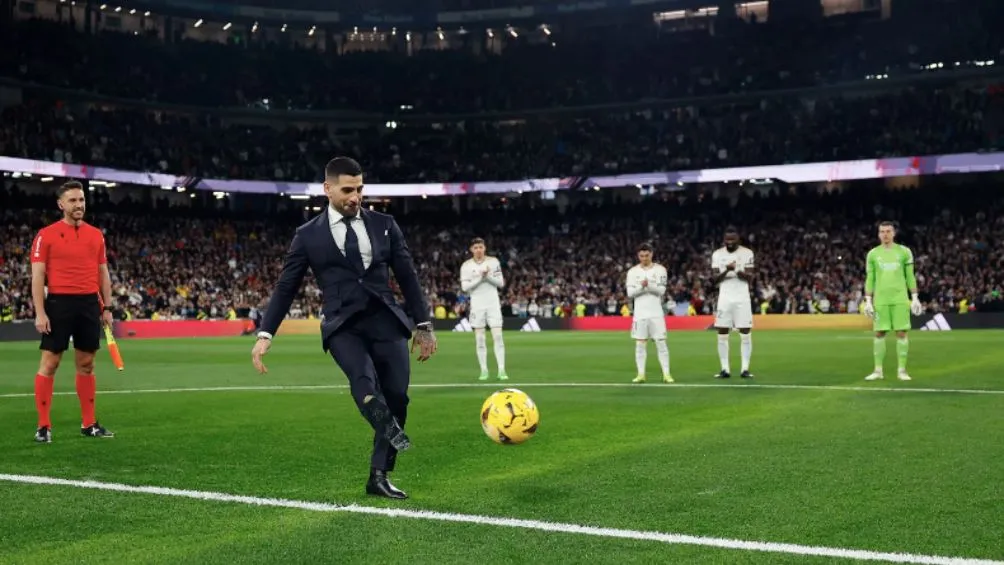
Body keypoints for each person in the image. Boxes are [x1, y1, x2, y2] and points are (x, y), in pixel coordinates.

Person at [251, 157, 437, 500]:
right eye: (348, 190)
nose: (356, 197)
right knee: (364, 381)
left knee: (397, 397)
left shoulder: (385, 224)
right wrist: (265, 333)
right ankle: (383, 422)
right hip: (342, 325)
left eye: (360, 189)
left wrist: (423, 326)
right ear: (328, 189)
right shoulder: (307, 235)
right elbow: (286, 286)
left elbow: (407, 276)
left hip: (387, 320)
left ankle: (378, 477)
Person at [30, 181, 116, 443]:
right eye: (72, 201)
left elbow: (103, 272)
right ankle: (43, 426)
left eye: (81, 200)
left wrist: (108, 307)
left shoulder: (95, 234)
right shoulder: (46, 234)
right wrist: (40, 312)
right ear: (61, 204)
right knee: (50, 363)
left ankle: (89, 423)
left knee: (87, 365)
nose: (78, 205)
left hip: (89, 304)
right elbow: (37, 276)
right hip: (59, 304)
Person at [862, 221, 923, 381]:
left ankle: (902, 371)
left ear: (894, 233)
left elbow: (910, 276)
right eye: (882, 231)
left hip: (900, 298)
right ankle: (878, 371)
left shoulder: (904, 252)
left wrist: (915, 297)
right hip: (881, 300)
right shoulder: (873, 254)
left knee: (901, 333)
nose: (885, 234)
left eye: (888, 231)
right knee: (879, 332)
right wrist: (868, 300)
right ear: (878, 234)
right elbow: (870, 278)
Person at [459, 237, 508, 381]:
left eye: (481, 247)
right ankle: (484, 371)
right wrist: (481, 278)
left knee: (498, 337)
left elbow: (500, 283)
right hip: (477, 305)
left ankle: (501, 370)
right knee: (480, 339)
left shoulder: (493, 262)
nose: (478, 250)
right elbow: (465, 287)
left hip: (493, 303)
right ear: (471, 250)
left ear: (484, 248)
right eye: (476, 248)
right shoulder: (466, 266)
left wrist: (488, 277)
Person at [711, 227, 755, 379]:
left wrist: (736, 270)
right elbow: (715, 280)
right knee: (722, 332)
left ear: (738, 239)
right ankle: (725, 369)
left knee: (745, 332)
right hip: (725, 298)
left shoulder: (747, 253)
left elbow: (750, 278)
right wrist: (726, 270)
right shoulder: (717, 254)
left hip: (742, 297)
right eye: (727, 240)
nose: (729, 242)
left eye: (732, 239)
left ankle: (745, 369)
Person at [626, 243, 673, 383]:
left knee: (661, 343)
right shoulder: (632, 272)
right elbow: (630, 293)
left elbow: (662, 291)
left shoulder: (660, 270)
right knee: (640, 344)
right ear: (638, 256)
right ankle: (641, 374)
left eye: (647, 255)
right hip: (640, 314)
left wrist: (649, 285)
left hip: (656, 313)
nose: (644, 258)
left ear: (651, 254)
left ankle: (666, 374)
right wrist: (642, 286)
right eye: (641, 256)